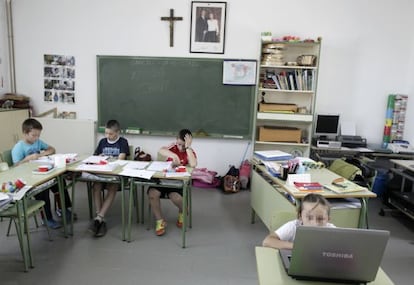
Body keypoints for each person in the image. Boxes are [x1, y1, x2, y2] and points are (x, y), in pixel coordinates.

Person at [11, 118, 73, 229]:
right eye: (33, 135)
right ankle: (47, 218)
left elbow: (52, 149)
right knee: (43, 190)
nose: (36, 138)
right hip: (28, 179)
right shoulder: (18, 147)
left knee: (59, 181)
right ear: (25, 133)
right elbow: (15, 167)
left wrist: (40, 155)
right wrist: (27, 159)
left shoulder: (38, 142)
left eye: (38, 135)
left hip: (40, 173)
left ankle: (63, 208)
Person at [148, 129, 197, 236]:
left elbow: (193, 164)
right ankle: (160, 221)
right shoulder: (172, 147)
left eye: (184, 146)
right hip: (164, 179)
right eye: (179, 144)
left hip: (177, 182)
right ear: (176, 141)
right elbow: (161, 150)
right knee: (152, 194)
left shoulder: (190, 151)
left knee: (176, 198)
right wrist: (175, 156)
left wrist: (188, 148)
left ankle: (183, 210)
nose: (181, 148)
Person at [88, 119, 129, 237]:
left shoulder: (123, 142)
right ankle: (100, 216)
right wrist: (99, 157)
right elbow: (95, 157)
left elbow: (121, 159)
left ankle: (99, 218)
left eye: (110, 134)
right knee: (96, 185)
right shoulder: (102, 142)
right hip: (102, 172)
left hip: (116, 174)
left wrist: (106, 158)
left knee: (113, 186)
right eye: (106, 133)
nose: (108, 136)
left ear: (117, 132)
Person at [262, 193, 335, 249]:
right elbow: (267, 241)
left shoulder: (333, 231)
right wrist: (298, 247)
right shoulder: (293, 227)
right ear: (300, 216)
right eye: (309, 218)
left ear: (328, 219)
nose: (315, 224)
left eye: (321, 219)